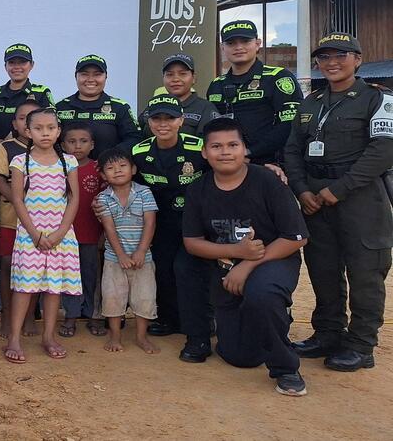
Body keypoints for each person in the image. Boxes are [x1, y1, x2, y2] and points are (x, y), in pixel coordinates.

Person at [284, 33, 393, 372]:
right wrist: (301, 190)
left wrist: (339, 189)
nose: (332, 62)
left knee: (365, 273)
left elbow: (383, 150)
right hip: (314, 197)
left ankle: (361, 345)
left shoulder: (378, 99)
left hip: (361, 197)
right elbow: (292, 150)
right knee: (323, 269)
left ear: (358, 59)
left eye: (341, 55)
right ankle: (328, 334)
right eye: (325, 56)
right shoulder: (310, 103)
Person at [183, 117, 309, 397]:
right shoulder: (199, 189)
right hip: (227, 265)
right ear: (204, 152)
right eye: (216, 146)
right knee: (241, 357)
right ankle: (270, 319)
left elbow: (296, 237)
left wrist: (248, 264)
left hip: (272, 260)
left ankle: (286, 368)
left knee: (262, 295)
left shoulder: (268, 181)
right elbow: (192, 242)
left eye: (232, 145)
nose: (225, 152)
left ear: (244, 149)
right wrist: (235, 254)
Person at [128, 94, 212, 361]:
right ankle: (167, 318)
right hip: (159, 221)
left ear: (181, 120)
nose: (163, 124)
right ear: (148, 122)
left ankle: (202, 320)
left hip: (195, 221)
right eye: (157, 118)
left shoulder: (199, 147)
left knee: (188, 270)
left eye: (170, 118)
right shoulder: (139, 152)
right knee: (162, 269)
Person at [2, 107, 81, 364]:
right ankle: (14, 338)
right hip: (30, 235)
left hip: (61, 234)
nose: (45, 133)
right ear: (27, 131)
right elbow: (17, 199)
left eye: (50, 128)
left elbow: (74, 198)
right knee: (25, 287)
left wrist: (60, 233)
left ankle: (48, 336)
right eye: (38, 128)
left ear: (58, 131)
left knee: (52, 287)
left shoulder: (68, 161)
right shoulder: (19, 161)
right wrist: (35, 234)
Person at [206, 20, 302, 165]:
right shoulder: (216, 85)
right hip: (227, 164)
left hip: (270, 164)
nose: (239, 47)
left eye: (245, 41)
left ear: (257, 44)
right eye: (231, 43)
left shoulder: (278, 77)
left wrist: (249, 153)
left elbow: (289, 125)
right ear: (222, 48)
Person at [94, 148, 159, 354]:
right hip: (114, 258)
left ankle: (141, 337)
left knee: (145, 298)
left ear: (133, 169)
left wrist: (141, 251)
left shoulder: (144, 192)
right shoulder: (103, 198)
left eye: (123, 166)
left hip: (143, 258)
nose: (118, 171)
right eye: (111, 168)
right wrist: (121, 254)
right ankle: (115, 336)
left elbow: (150, 222)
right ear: (103, 175)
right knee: (112, 298)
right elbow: (108, 228)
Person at [0, 99, 40, 337]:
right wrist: (21, 203)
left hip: (39, 221)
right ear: (15, 123)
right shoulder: (7, 148)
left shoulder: (49, 149)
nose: (28, 122)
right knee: (7, 265)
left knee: (32, 270)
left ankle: (30, 317)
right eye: (23, 118)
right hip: (11, 218)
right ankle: (7, 318)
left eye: (34, 118)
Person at [59, 122, 108, 338]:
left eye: (83, 141)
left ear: (92, 144)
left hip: (91, 235)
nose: (77, 146)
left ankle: (94, 314)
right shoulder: (58, 168)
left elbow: (107, 203)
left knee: (92, 276)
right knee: (69, 277)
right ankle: (70, 315)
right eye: (71, 141)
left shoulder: (98, 169)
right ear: (62, 145)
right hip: (64, 236)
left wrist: (104, 234)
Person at [55, 54, 141, 157]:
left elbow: (135, 139)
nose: (90, 79)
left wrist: (110, 157)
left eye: (97, 74)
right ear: (76, 76)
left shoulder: (120, 107)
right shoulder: (60, 107)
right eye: (84, 74)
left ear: (106, 77)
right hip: (67, 171)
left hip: (108, 171)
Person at [0, 43, 55, 141]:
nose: (17, 67)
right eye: (12, 62)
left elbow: (52, 125)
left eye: (22, 62)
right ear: (5, 66)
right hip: (2, 151)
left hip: (33, 150)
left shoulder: (41, 92)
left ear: (32, 65)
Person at [139, 53, 219, 137]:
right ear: (163, 78)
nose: (175, 79)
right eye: (169, 74)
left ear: (194, 78)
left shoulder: (205, 108)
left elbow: (213, 143)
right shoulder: (154, 105)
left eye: (182, 74)